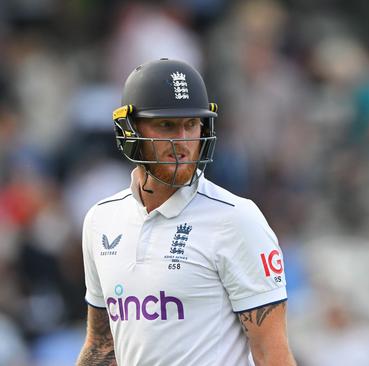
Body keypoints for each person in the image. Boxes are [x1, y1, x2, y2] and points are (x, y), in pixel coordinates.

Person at [76, 58, 296, 366]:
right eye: (166, 125)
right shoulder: (101, 220)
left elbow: (272, 354)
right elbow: (101, 346)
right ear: (129, 129)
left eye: (191, 124)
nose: (182, 142)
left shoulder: (236, 219)